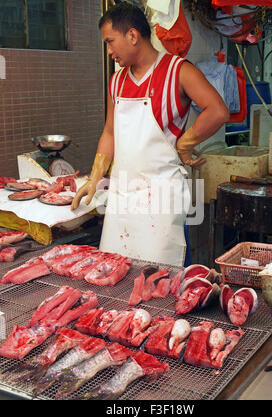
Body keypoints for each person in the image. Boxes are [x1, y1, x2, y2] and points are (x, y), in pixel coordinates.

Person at [71, 2, 229, 266]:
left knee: (164, 280)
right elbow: (109, 132)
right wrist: (95, 177)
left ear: (132, 36)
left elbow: (218, 111)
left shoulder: (178, 71)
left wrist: (185, 144)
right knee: (117, 275)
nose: (109, 51)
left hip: (162, 199)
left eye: (110, 42)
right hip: (123, 197)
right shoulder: (117, 81)